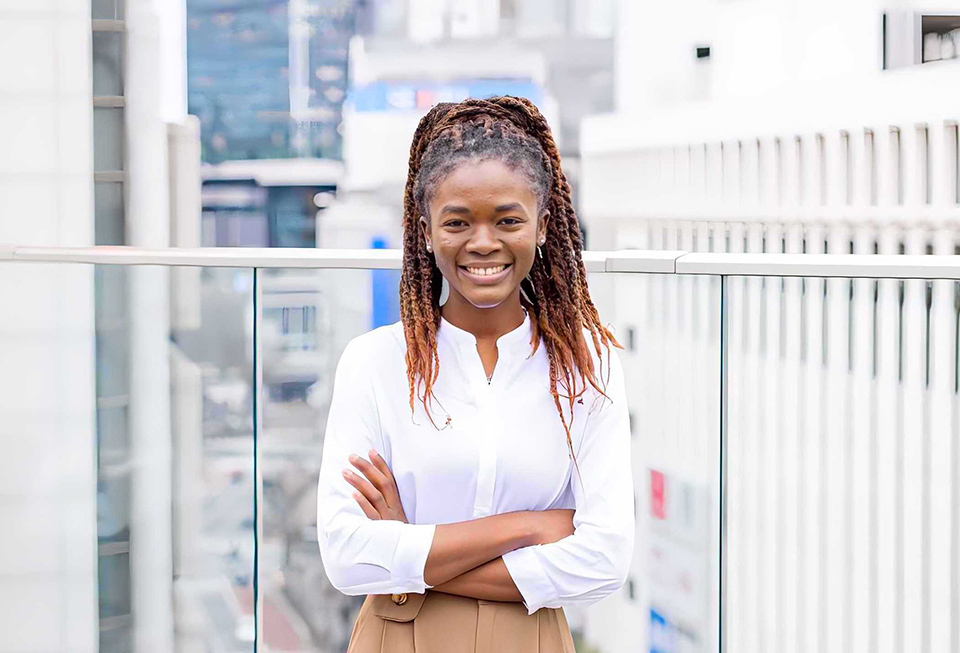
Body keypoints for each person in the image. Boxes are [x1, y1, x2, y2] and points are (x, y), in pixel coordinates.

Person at [316, 96, 634, 653]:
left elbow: (604, 562)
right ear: (425, 231)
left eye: (507, 220)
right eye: (457, 222)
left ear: (542, 225)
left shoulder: (588, 365)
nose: (483, 243)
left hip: (529, 639)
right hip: (397, 637)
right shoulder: (373, 362)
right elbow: (347, 558)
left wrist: (408, 550)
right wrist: (530, 526)